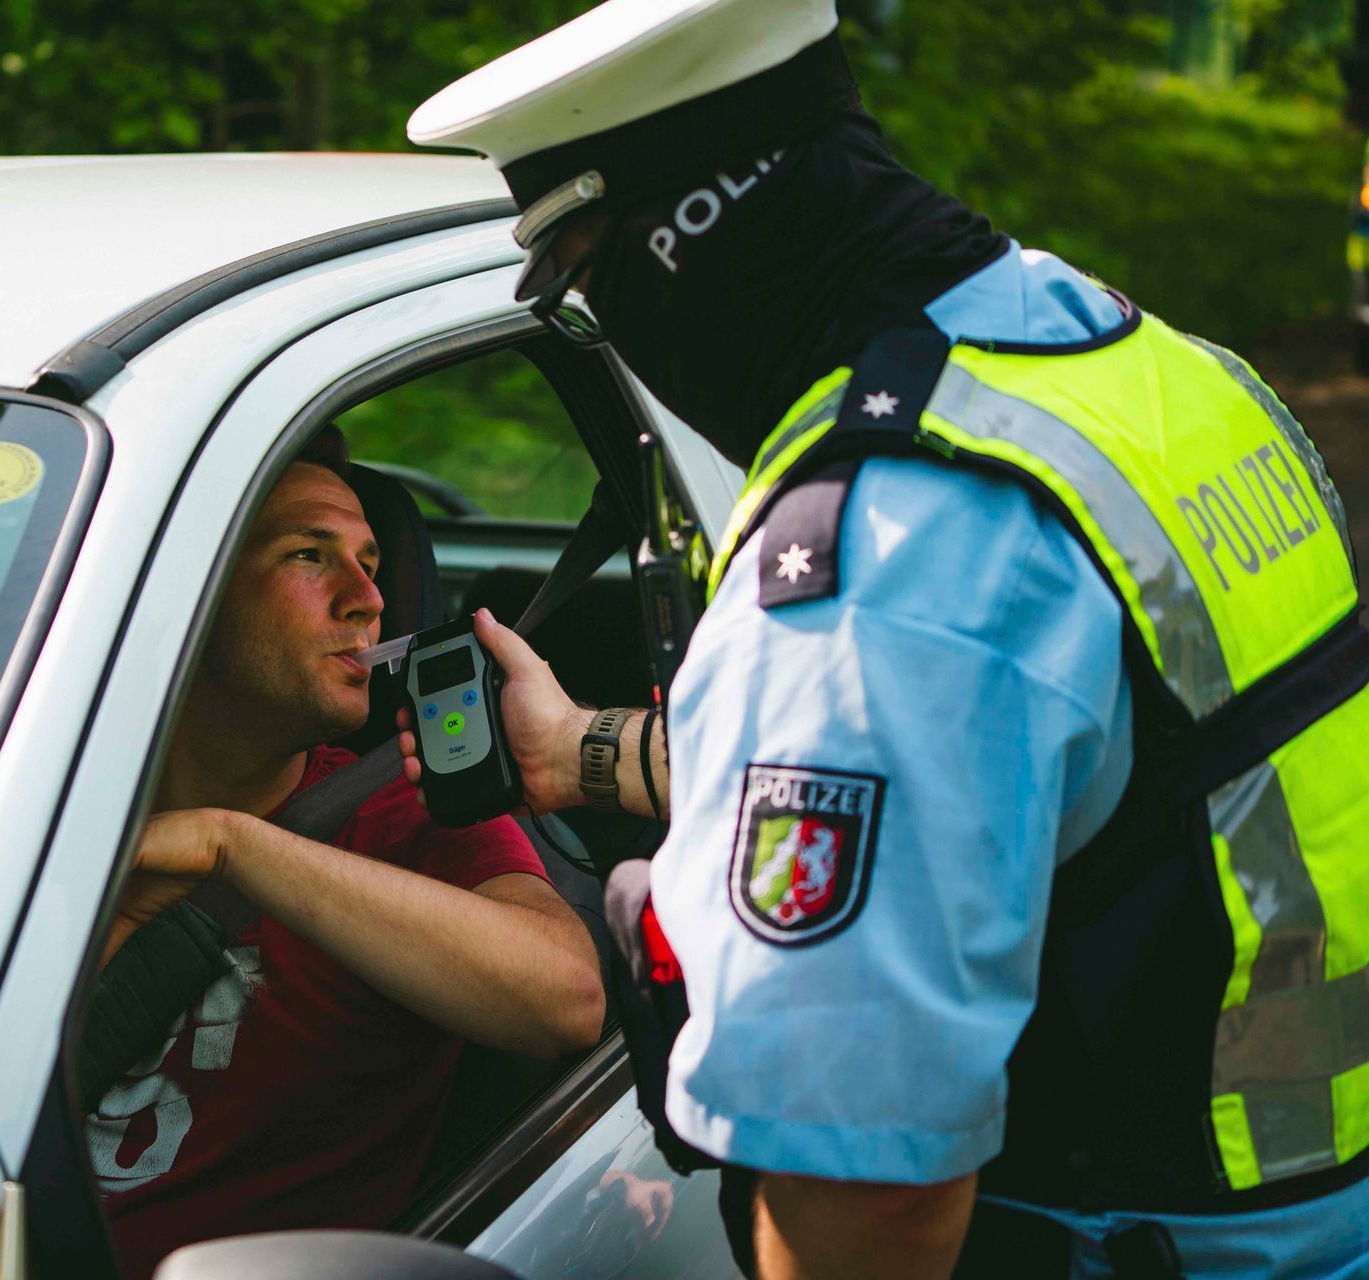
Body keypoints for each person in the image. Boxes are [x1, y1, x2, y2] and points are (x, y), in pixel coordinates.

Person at [400, 1, 1369, 1276]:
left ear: (671, 238)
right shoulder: (1148, 372)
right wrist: (580, 751)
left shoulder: (877, 571)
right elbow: (1048, 782)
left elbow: (871, 1204)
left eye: (582, 278)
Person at [88, 428, 603, 1277]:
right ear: (193, 589)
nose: (368, 598)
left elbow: (565, 996)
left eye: (369, 561)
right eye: (308, 554)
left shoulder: (406, 807)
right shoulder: (56, 785)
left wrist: (231, 846)